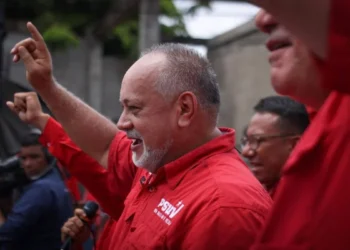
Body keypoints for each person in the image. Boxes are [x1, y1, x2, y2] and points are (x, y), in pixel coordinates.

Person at [8, 24, 272, 249]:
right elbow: (104, 145)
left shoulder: (224, 208)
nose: (122, 123)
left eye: (134, 108)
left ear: (184, 109)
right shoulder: (158, 161)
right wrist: (47, 87)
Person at [239, 0, 350, 249]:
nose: (262, 20)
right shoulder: (326, 118)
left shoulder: (225, 203)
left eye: (259, 141)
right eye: (247, 140)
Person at [0, 133, 73, 250]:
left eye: (34, 157)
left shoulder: (41, 189)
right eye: (23, 158)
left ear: (48, 158)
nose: (28, 164)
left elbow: (8, 233)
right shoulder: (56, 180)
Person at [241, 96, 309, 196]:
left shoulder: (305, 197)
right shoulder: (258, 193)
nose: (246, 152)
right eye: (246, 141)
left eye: (257, 140)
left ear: (295, 144)